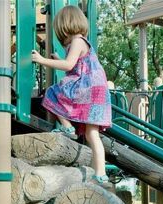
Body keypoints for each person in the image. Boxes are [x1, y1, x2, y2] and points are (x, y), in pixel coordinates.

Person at [32, 5, 112, 188]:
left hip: (88, 88)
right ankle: (100, 174)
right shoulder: (81, 42)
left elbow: (69, 66)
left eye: (61, 34)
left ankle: (67, 127)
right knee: (93, 134)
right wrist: (57, 58)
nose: (62, 39)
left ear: (66, 27)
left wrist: (43, 60)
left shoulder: (77, 41)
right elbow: (74, 64)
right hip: (97, 91)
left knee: (52, 93)